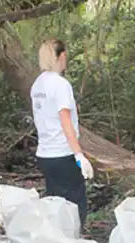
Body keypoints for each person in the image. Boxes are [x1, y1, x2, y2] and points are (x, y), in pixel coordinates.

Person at [30, 39, 93, 226]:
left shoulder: (37, 85)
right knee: (74, 207)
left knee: (56, 207)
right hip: (63, 154)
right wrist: (79, 155)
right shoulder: (60, 85)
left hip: (45, 155)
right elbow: (65, 121)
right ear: (62, 56)